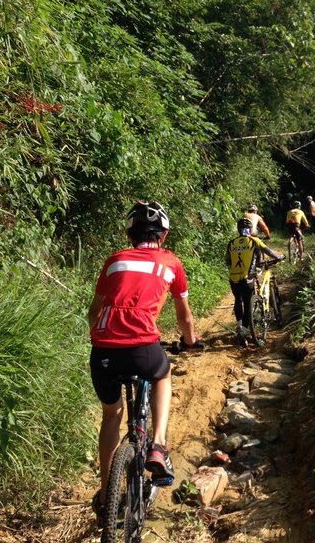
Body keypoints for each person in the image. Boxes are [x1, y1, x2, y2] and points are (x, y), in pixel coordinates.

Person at [87, 201, 201, 524]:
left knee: (112, 414)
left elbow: (93, 313)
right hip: (143, 347)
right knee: (162, 373)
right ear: (162, 236)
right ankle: (159, 447)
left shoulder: (114, 261)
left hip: (103, 350)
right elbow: (184, 317)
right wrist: (191, 342)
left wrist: (102, 339)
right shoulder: (170, 262)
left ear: (130, 234)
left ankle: (107, 492)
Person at [225, 217, 284, 346]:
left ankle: (240, 326)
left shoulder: (232, 243)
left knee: (237, 300)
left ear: (238, 229)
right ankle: (244, 332)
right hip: (248, 277)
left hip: (234, 278)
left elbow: (228, 261)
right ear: (250, 229)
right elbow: (268, 251)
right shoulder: (254, 240)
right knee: (247, 303)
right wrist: (279, 257)